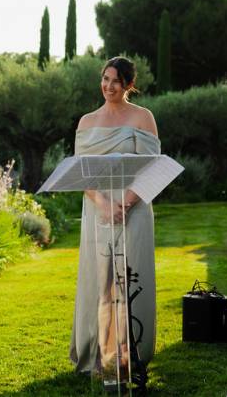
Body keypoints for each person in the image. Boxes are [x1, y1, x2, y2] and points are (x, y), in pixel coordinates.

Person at [70, 56, 160, 379]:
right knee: (100, 279)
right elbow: (81, 173)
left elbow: (153, 168)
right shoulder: (86, 121)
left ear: (128, 85)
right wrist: (104, 203)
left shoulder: (142, 118)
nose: (108, 86)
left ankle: (130, 354)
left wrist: (125, 202)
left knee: (130, 275)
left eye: (116, 82)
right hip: (97, 210)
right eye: (105, 79)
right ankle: (98, 354)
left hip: (133, 208)